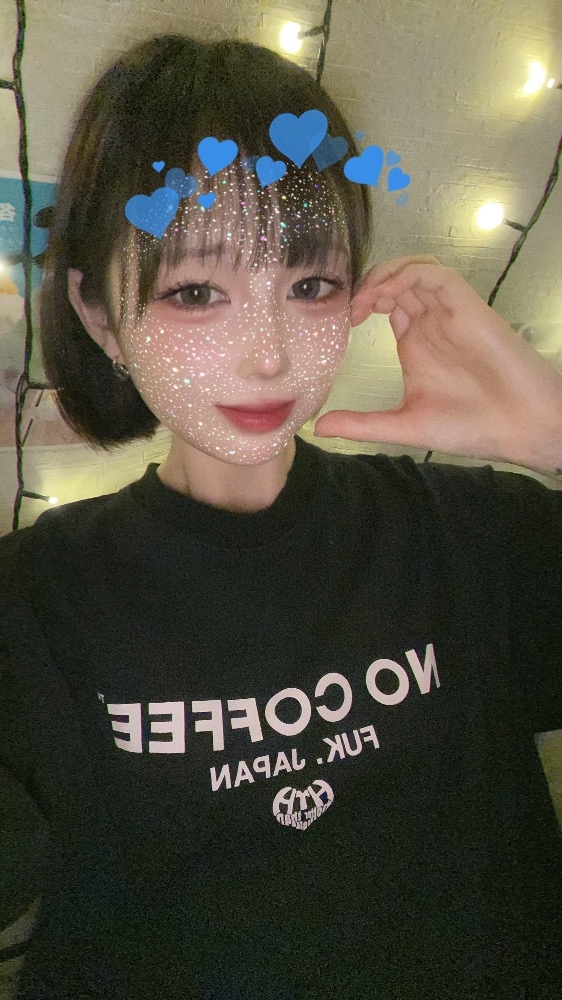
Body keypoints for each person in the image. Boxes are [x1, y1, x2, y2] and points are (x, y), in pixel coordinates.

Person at [0, 31, 561, 1000]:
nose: (268, 355)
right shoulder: (34, 600)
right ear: (98, 314)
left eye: (309, 284)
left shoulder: (472, 537)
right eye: (196, 290)